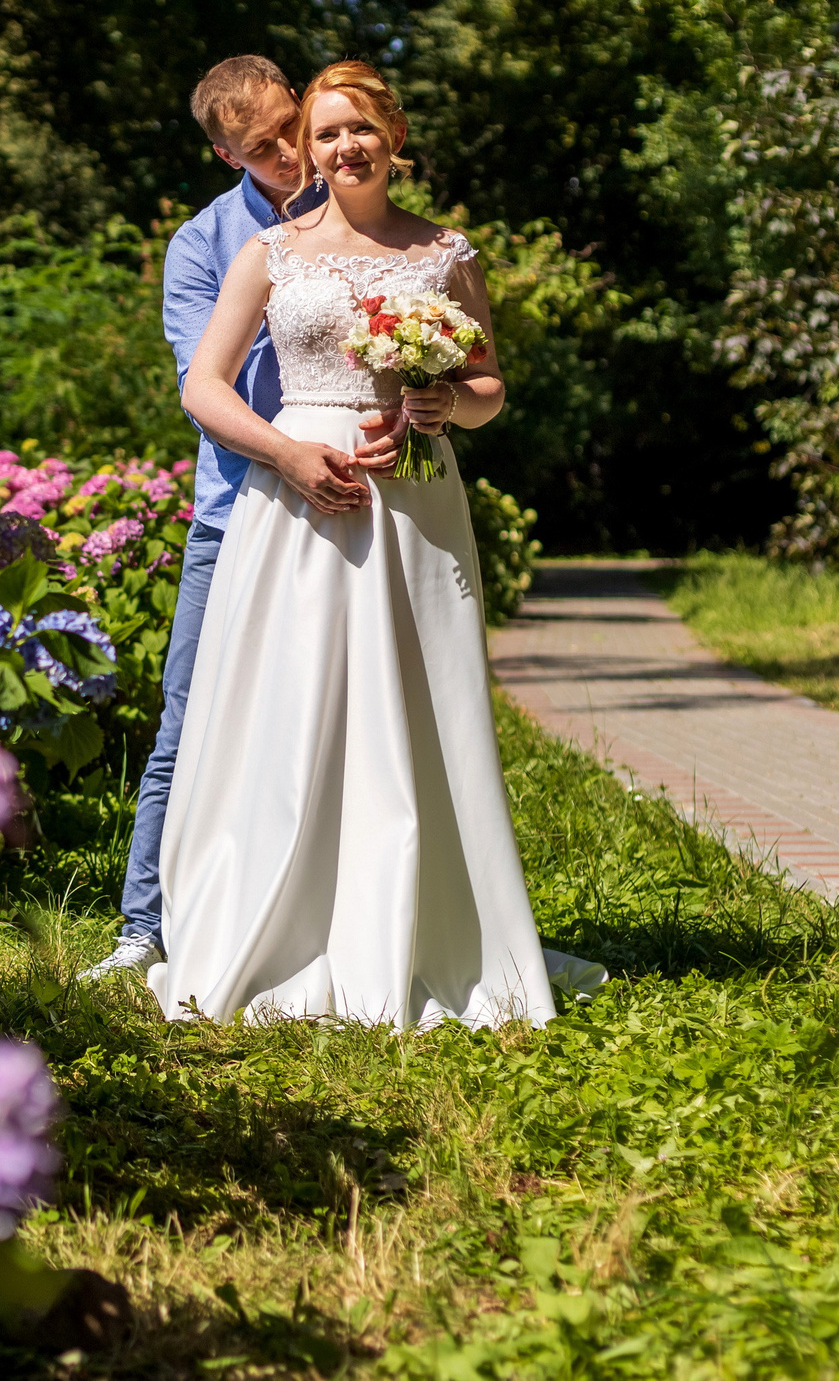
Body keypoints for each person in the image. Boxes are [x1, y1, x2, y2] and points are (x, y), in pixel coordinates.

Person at [145, 60, 602, 1029]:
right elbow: (204, 387)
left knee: (415, 705)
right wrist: (288, 454)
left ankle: (425, 922)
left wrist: (442, 402)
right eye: (324, 134)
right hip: (299, 502)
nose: (342, 147)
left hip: (417, 507)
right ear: (302, 151)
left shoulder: (445, 253)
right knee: (294, 707)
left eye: (359, 128)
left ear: (392, 135)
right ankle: (272, 924)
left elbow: (488, 389)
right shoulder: (265, 253)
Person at [79, 57, 398, 983]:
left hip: (360, 497)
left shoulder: (357, 206)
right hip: (241, 505)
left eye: (296, 125)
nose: (297, 153)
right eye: (265, 147)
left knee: (348, 716)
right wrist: (289, 449)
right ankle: (147, 923)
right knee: (192, 713)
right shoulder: (209, 243)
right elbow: (201, 385)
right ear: (226, 153)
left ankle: (337, 919)